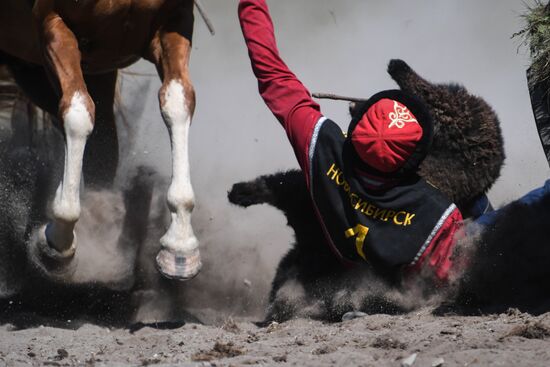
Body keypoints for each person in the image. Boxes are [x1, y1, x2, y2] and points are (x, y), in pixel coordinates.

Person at [238, 0, 462, 284]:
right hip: (383, 286)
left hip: (331, 264)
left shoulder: (321, 144)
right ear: (414, 160)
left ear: (356, 128)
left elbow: (270, 71)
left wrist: (251, 4)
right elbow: (456, 273)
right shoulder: (437, 214)